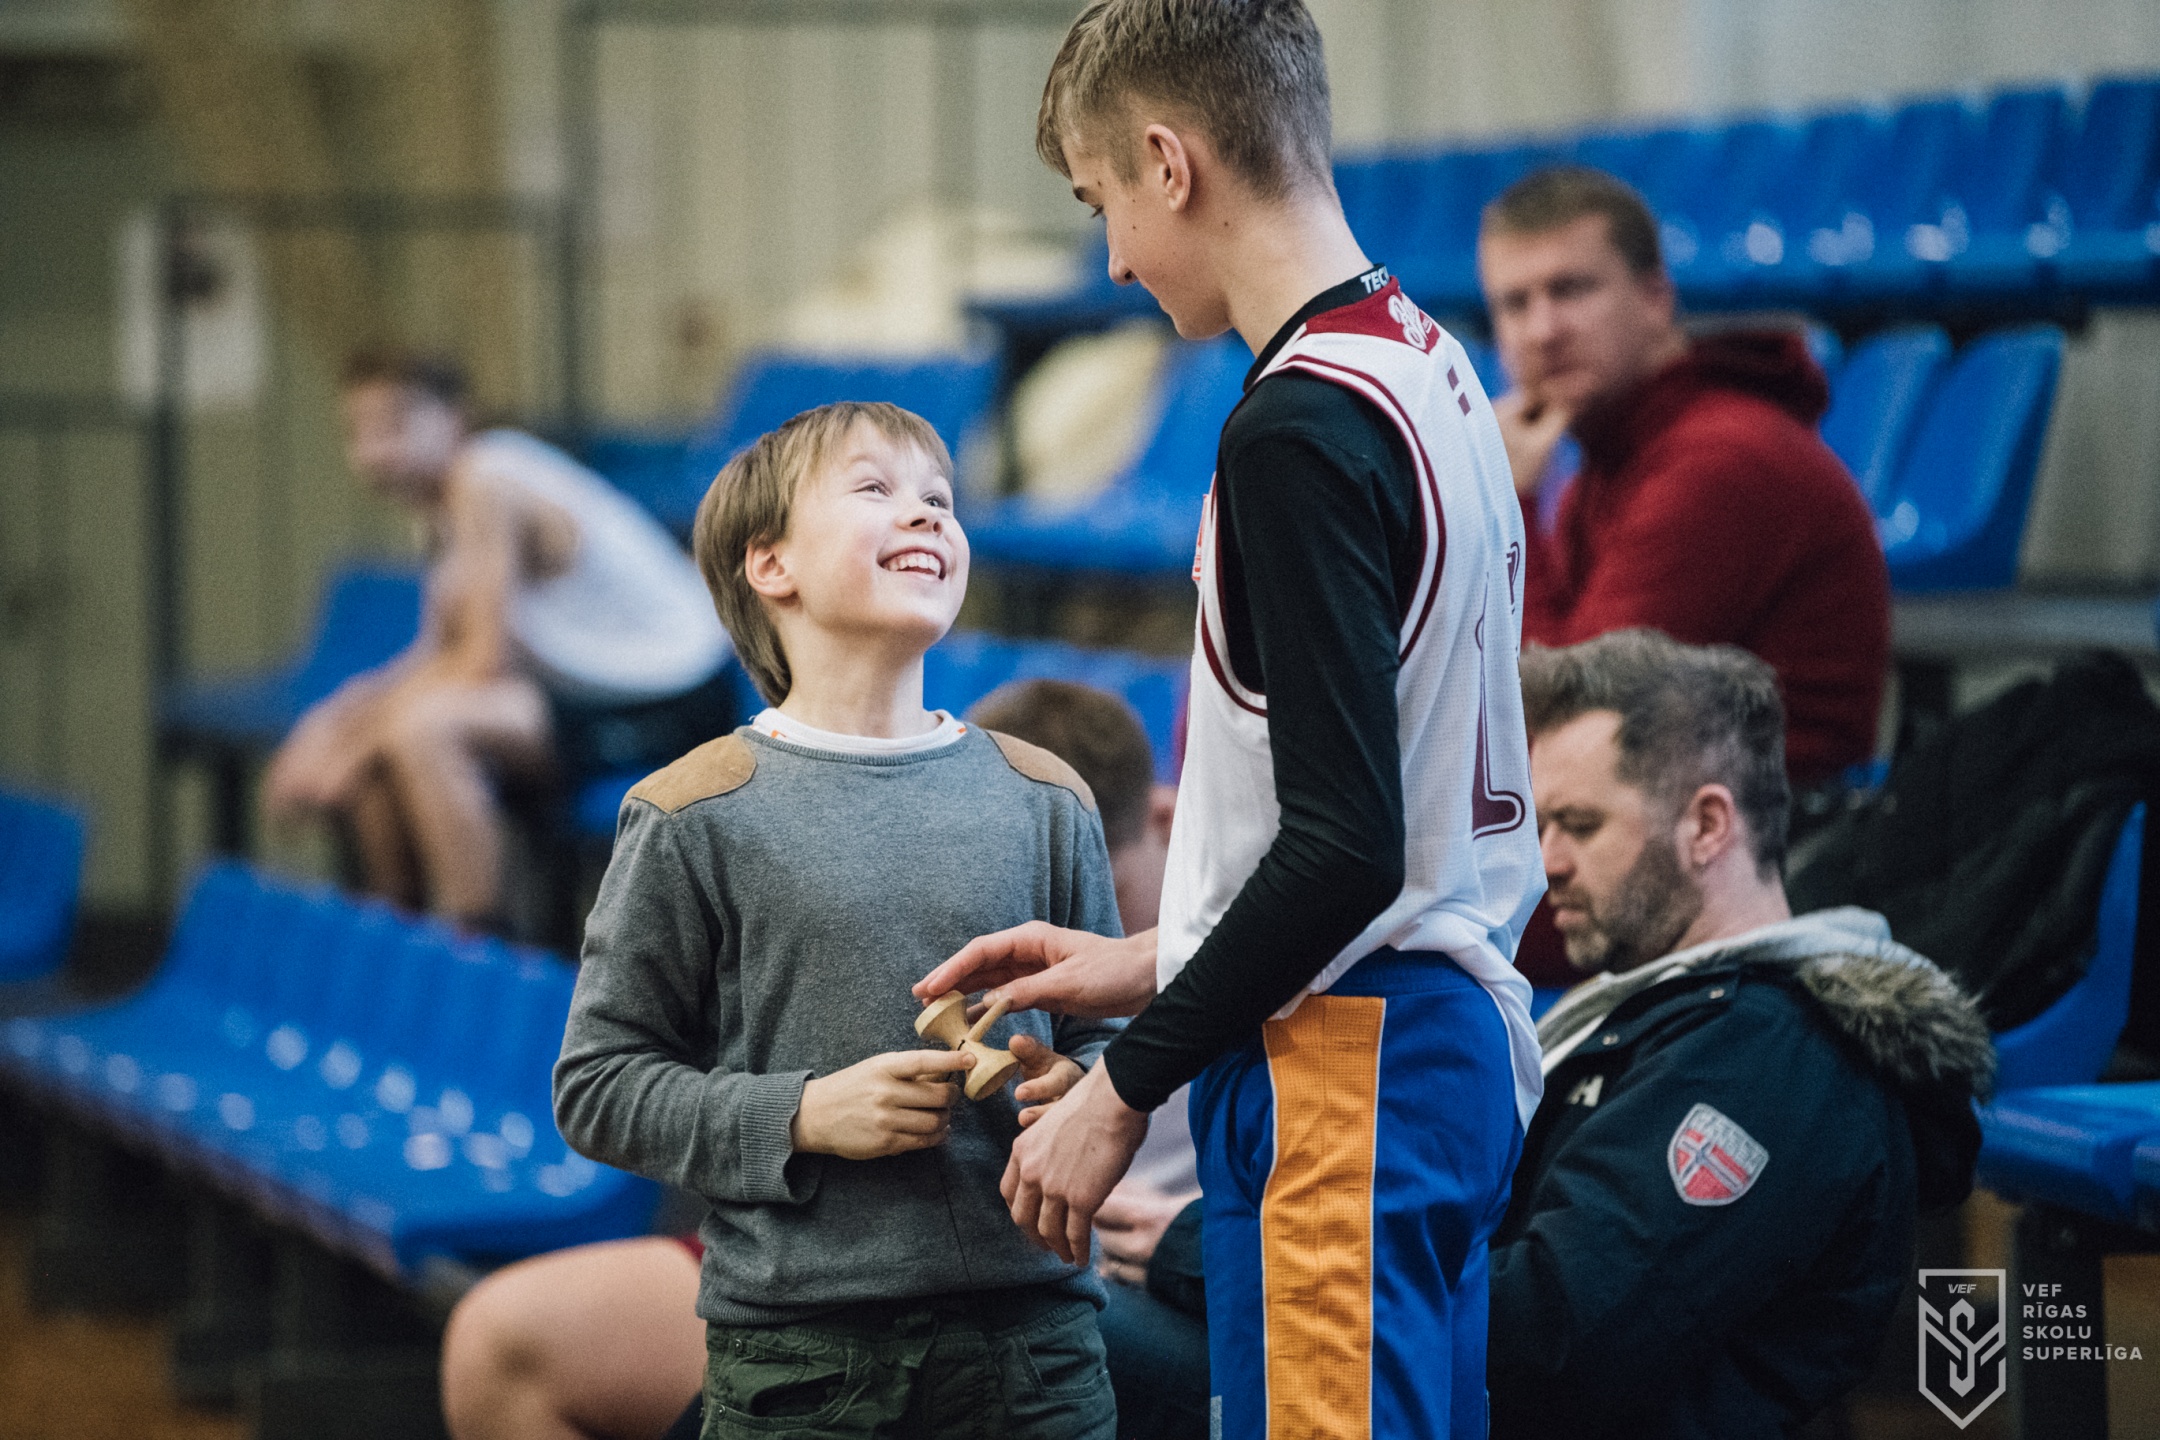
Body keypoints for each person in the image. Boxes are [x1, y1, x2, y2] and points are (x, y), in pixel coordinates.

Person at [918, 5, 1546, 1436]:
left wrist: (1123, 1091)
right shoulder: (1428, 359)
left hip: (1350, 1058)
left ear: (1168, 160)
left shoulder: (1299, 426)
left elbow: (1348, 847)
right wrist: (1157, 956)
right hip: (1424, 1042)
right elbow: (1389, 814)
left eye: (1102, 204)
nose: (1115, 260)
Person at [551, 402, 1125, 1440]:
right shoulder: (691, 812)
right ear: (770, 564)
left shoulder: (1046, 796)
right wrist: (803, 1116)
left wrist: (1079, 1087)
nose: (927, 514)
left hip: (1037, 1351)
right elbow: (599, 1087)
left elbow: (1111, 1038)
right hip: (801, 1364)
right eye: (875, 489)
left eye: (940, 499)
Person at [442, 677, 1197, 1440]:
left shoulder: (1188, 933)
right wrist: (802, 1113)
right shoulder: (704, 820)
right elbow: (602, 1085)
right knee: (501, 1338)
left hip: (1052, 1291)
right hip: (818, 1263)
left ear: (1165, 820)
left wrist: (1120, 1138)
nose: (1058, 953)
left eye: (1098, 893)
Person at [1488, 630, 1992, 1439]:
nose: (1547, 862)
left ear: (1707, 825)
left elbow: (1553, 1342)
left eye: (1579, 824)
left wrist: (1342, 1277)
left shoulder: (1771, 1061)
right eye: (1541, 827)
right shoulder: (1661, 1014)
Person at [262, 350, 728, 929]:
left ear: (454, 417)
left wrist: (349, 744)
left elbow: (481, 664)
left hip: (671, 696)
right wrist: (333, 725)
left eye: (396, 423)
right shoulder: (440, 509)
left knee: (425, 730)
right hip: (588, 696)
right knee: (387, 748)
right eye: (359, 431)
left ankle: (479, 946)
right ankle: (396, 947)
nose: (375, 449)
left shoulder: (486, 476)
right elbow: (434, 658)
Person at [1478, 167, 1889, 794]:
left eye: (1571, 290)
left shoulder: (1717, 461)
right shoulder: (1617, 452)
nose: (1543, 331)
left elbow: (1568, 719)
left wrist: (1506, 506)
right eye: (1515, 304)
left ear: (1655, 297)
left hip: (1772, 834)